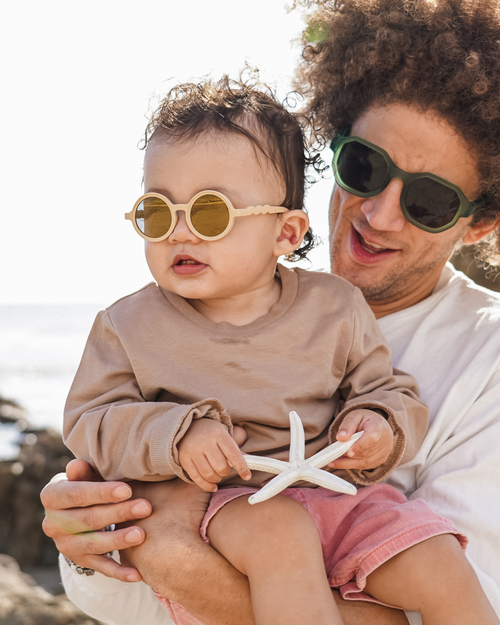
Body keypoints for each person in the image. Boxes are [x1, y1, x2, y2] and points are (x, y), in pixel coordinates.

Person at [41, 0, 500, 624]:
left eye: (428, 201)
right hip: (245, 507)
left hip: (335, 505)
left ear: (480, 223)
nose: (379, 215)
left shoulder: (459, 348)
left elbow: (385, 393)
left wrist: (378, 426)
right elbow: (117, 589)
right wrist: (95, 548)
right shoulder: (136, 325)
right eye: (363, 167)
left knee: (438, 563)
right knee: (280, 534)